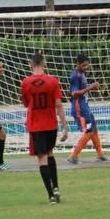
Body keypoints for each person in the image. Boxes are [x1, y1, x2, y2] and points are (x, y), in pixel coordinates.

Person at [21, 53, 69, 204]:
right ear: (44, 63)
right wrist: (65, 126)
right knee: (50, 153)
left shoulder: (26, 82)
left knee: (42, 158)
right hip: (51, 124)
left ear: (31, 64)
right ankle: (56, 187)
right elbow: (59, 104)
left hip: (36, 125)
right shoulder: (53, 81)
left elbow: (25, 103)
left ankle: (51, 195)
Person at [67, 54, 107, 164]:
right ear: (78, 64)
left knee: (94, 126)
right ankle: (74, 156)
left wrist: (92, 88)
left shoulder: (81, 74)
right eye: (84, 65)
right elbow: (74, 93)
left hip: (85, 106)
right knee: (89, 131)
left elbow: (83, 90)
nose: (86, 67)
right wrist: (91, 87)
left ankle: (100, 154)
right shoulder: (76, 76)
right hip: (79, 108)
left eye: (87, 65)